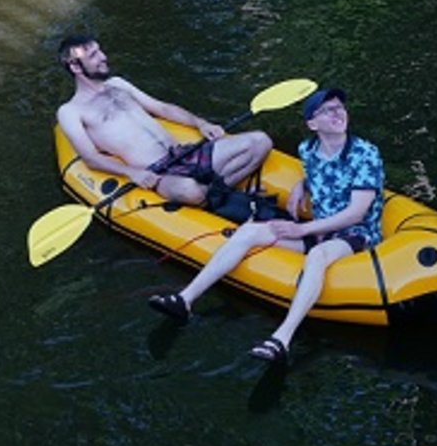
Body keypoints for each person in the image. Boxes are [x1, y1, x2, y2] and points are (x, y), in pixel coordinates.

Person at [147, 85, 384, 366]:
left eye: (340, 108)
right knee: (248, 231)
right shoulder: (307, 150)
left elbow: (357, 213)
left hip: (355, 234)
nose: (338, 113)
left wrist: (303, 229)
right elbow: (322, 172)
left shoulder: (365, 154)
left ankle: (282, 339)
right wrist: (301, 185)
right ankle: (184, 300)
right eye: (328, 110)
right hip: (318, 230)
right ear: (312, 123)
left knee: (318, 256)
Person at [56, 31, 271, 208]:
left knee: (261, 142)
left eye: (99, 50)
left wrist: (200, 123)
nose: (103, 57)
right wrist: (131, 172)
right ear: (75, 67)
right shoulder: (70, 111)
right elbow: (90, 158)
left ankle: (217, 192)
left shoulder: (118, 83)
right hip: (158, 172)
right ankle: (222, 192)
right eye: (93, 55)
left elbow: (162, 108)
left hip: (184, 152)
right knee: (190, 191)